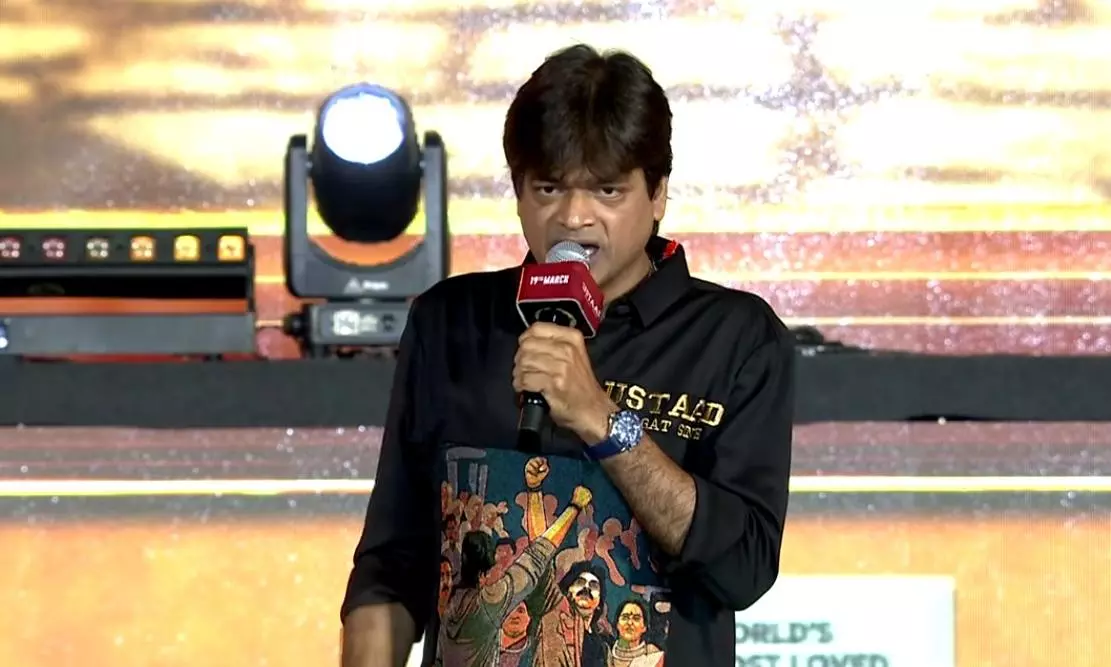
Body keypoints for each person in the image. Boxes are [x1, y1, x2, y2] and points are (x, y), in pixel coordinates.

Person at [340, 43, 795, 667]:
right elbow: (394, 562)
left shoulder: (736, 337)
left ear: (658, 193)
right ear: (518, 191)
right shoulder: (451, 321)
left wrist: (603, 420)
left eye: (607, 190)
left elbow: (744, 567)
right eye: (549, 188)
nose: (574, 216)